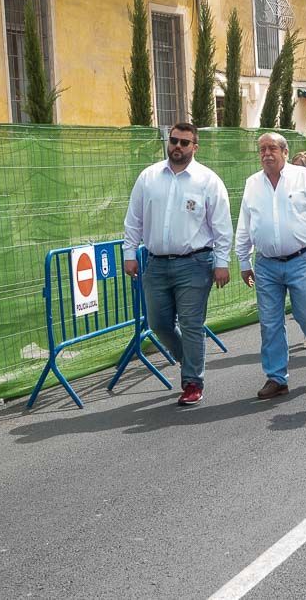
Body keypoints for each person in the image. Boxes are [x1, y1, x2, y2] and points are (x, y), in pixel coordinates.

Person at [123, 122, 233, 407]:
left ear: (195, 147)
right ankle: (190, 357)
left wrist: (222, 262)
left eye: (185, 142)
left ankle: (192, 382)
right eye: (174, 141)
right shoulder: (148, 178)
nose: (178, 147)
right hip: (156, 264)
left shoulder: (208, 181)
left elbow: (222, 227)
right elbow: (134, 219)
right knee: (157, 323)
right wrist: (129, 253)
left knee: (191, 323)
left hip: (195, 263)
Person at [235, 132, 306, 400]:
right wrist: (244, 261)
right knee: (269, 322)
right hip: (266, 264)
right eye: (262, 150)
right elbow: (245, 224)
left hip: (301, 260)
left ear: (284, 151)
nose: (266, 154)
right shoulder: (252, 184)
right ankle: (277, 377)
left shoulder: (303, 177)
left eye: (272, 148)